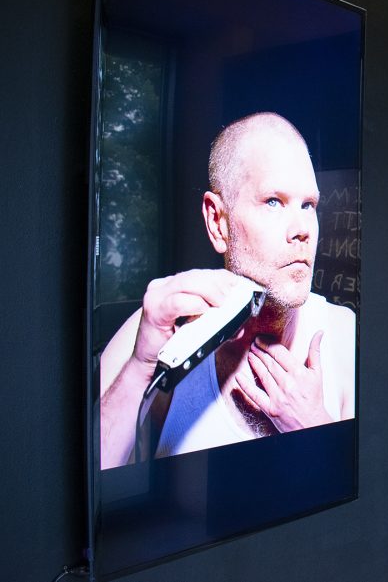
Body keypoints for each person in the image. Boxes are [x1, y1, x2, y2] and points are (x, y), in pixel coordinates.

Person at [100, 112, 355, 469]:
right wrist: (140, 368)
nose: (302, 230)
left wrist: (314, 426)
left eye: (308, 205)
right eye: (273, 201)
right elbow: (76, 490)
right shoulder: (155, 337)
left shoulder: (346, 338)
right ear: (218, 222)